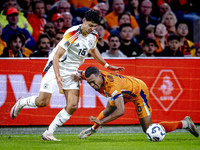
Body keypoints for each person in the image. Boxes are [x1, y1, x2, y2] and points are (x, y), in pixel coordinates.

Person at [10, 9, 124, 141]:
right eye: (90, 25)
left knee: (73, 105)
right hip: (55, 67)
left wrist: (106, 65)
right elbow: (56, 56)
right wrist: (58, 76)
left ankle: (48, 133)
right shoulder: (72, 33)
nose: (92, 29)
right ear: (84, 21)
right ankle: (22, 102)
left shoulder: (94, 35)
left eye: (95, 26)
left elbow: (93, 50)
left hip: (72, 70)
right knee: (42, 102)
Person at [71, 66, 199, 139]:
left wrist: (102, 122)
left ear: (99, 76)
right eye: (89, 83)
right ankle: (92, 130)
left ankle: (185, 124)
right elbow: (82, 73)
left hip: (138, 91)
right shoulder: (92, 76)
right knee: (108, 109)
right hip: (125, 91)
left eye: (93, 82)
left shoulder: (112, 86)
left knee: (148, 130)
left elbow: (121, 111)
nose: (92, 85)